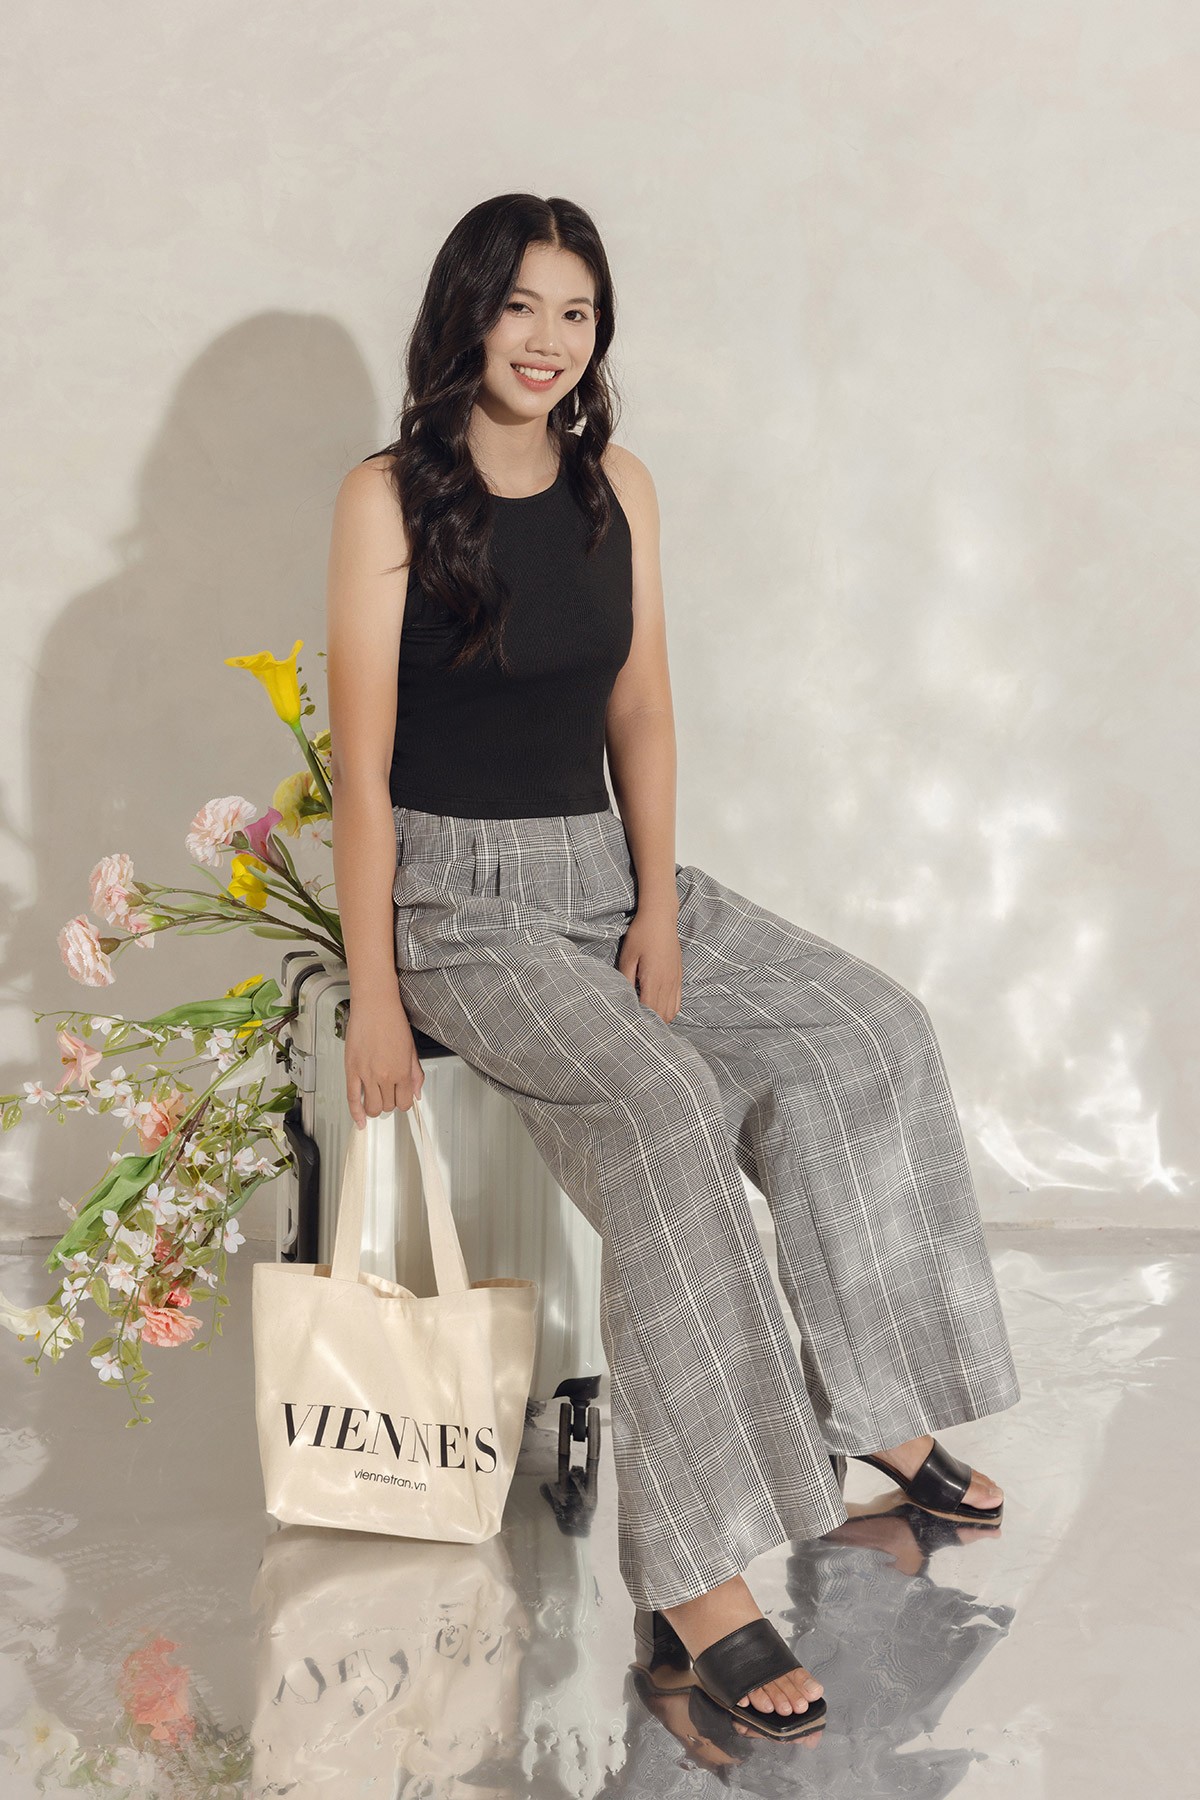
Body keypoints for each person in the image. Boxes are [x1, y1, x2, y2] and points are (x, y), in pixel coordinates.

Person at [324, 192, 1020, 1743]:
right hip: (464, 911)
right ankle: (697, 1578)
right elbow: (360, 770)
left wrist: (653, 902)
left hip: (608, 876)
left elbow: (640, 710)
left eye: (575, 314)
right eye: (520, 306)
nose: (547, 341)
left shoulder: (616, 486)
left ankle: (872, 1402)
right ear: (465, 316)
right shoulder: (386, 500)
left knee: (867, 1030)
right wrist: (376, 989)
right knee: (666, 1109)